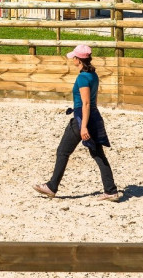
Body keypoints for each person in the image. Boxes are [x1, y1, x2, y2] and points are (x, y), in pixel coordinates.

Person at [33, 44, 119, 201]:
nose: (72, 59)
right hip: (93, 116)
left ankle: (52, 187)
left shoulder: (83, 78)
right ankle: (111, 190)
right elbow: (92, 102)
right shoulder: (93, 75)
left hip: (81, 118)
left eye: (74, 57)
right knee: (98, 154)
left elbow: (85, 103)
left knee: (63, 151)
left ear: (78, 59)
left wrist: (83, 126)